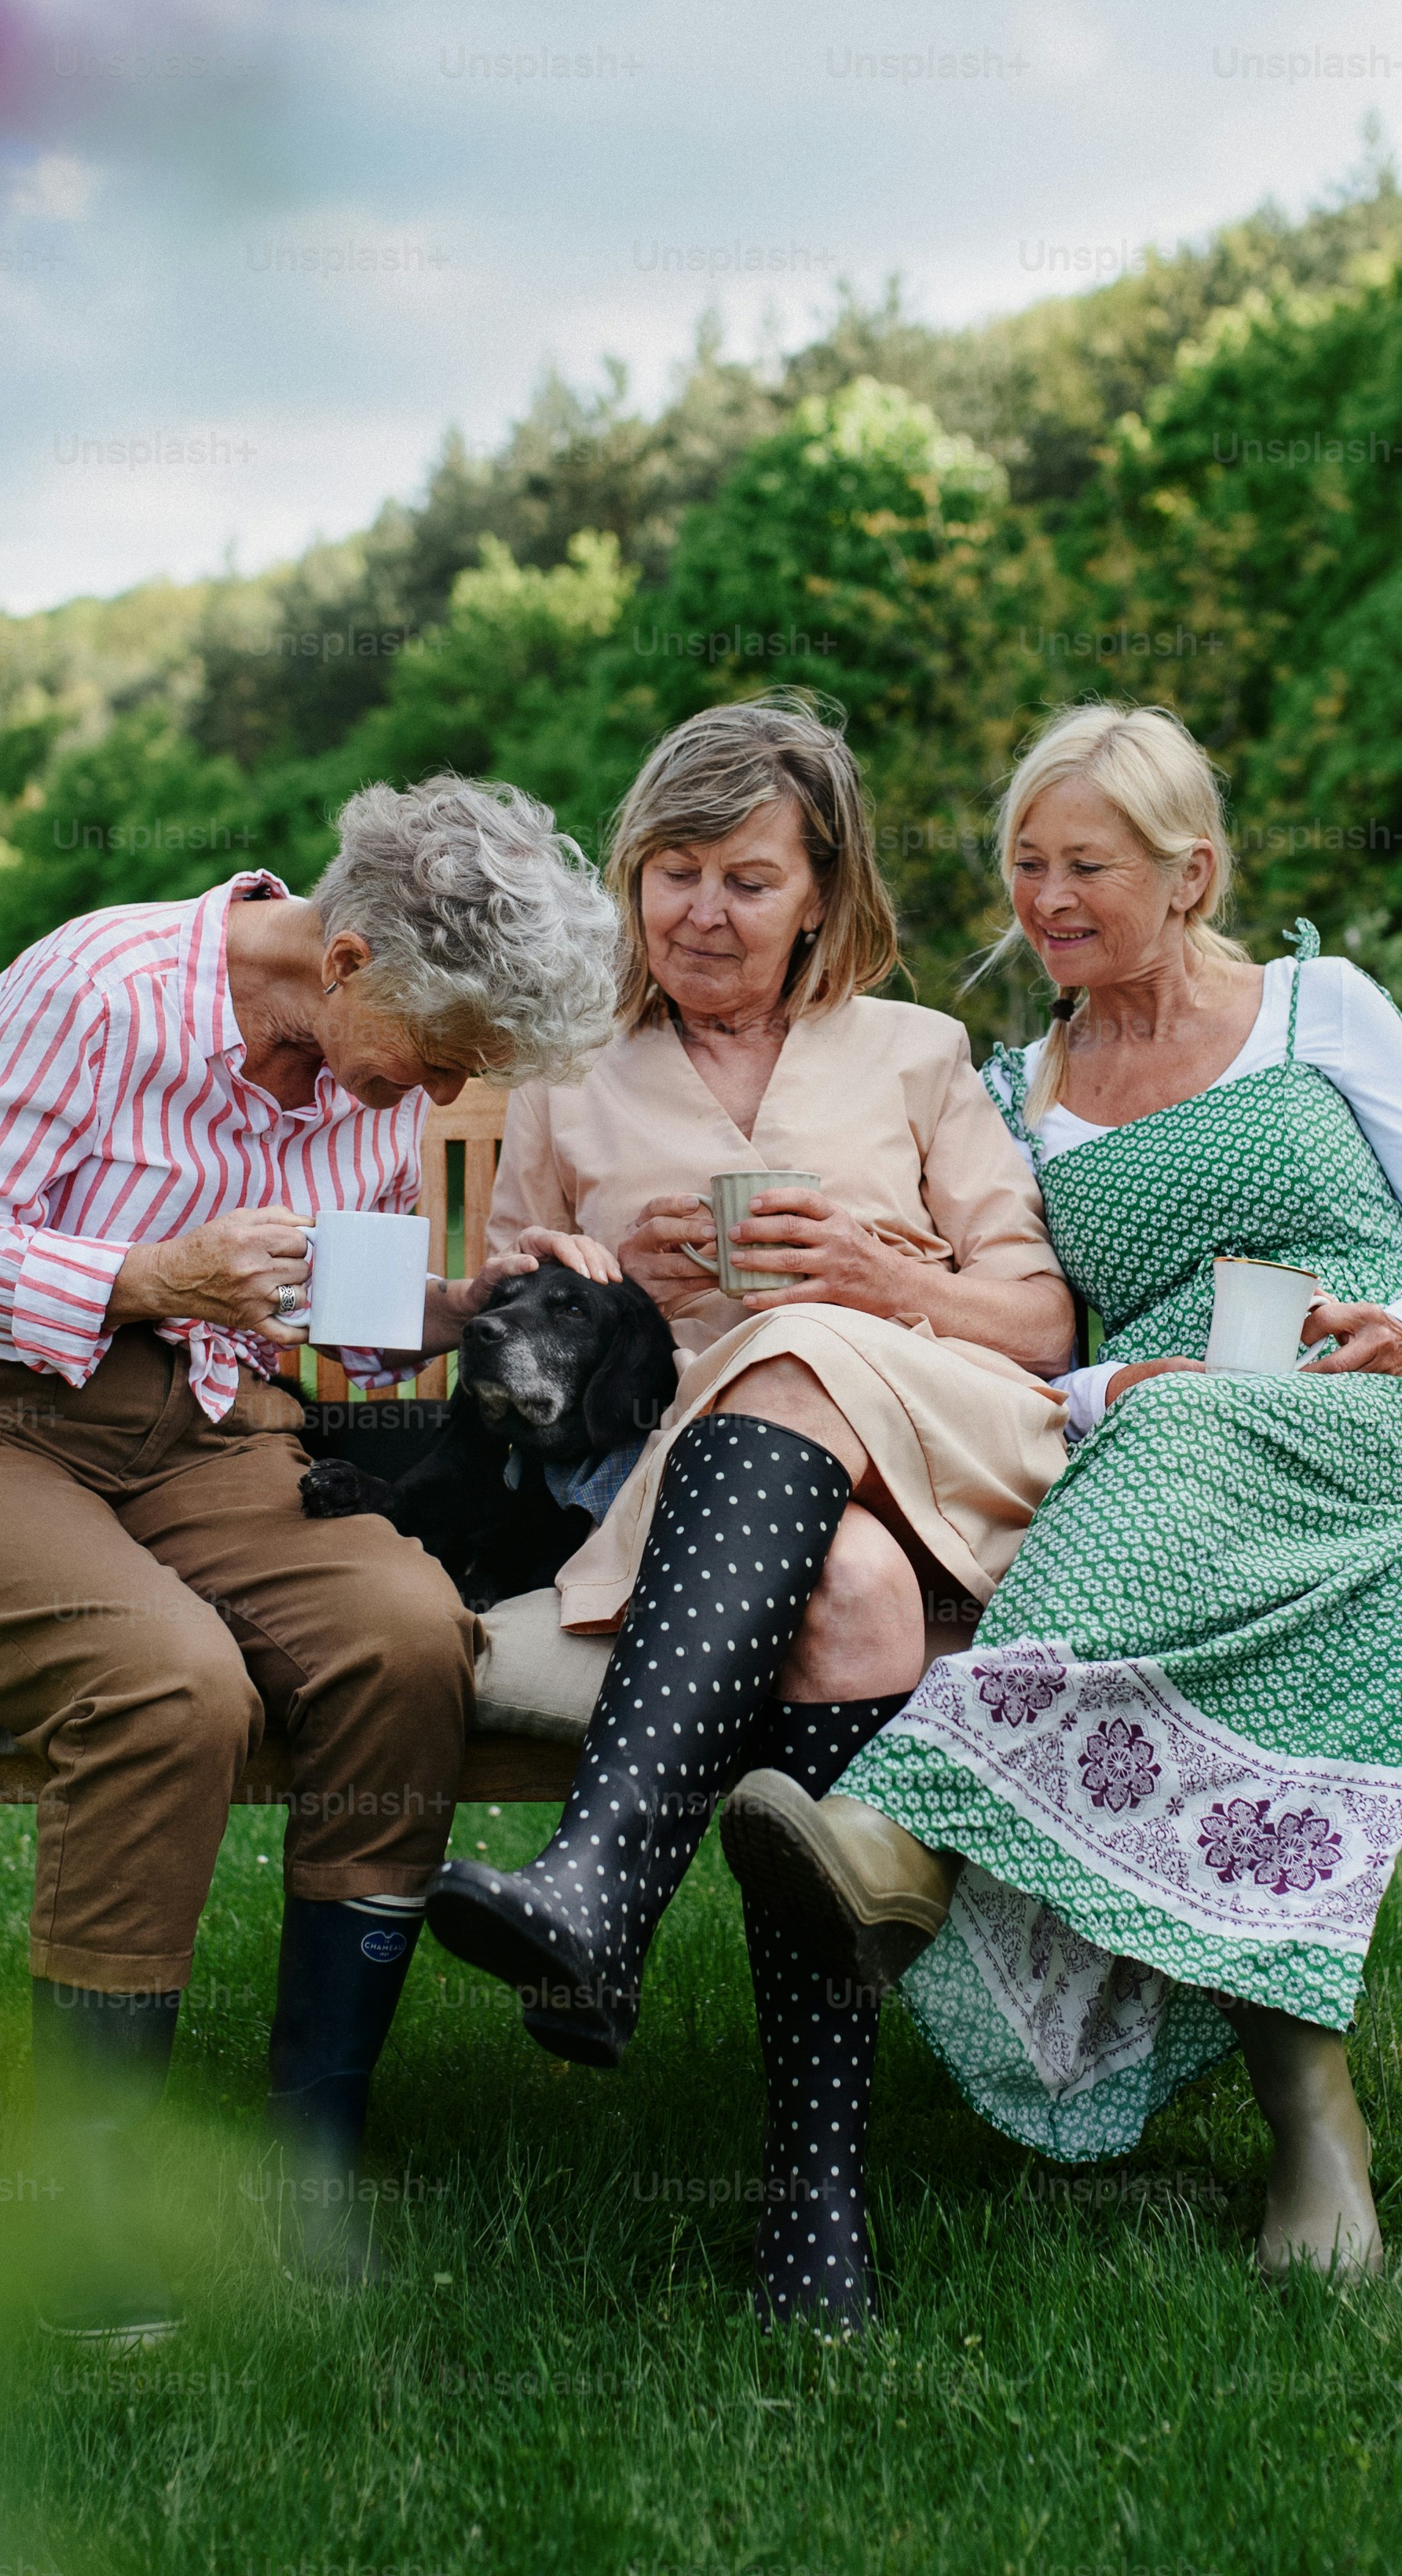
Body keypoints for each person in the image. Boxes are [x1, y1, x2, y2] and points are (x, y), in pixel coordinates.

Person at [720, 701, 1402, 2313]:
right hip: (1147, 1445)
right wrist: (1107, 1395)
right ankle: (1314, 2115)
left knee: (1165, 1468)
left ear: (1189, 871)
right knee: (1160, 1469)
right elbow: (1050, 1347)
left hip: (1373, 1405)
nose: (1046, 898)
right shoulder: (1019, 1089)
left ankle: (912, 1824)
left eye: (1086, 861)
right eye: (1025, 863)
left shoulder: (1320, 1007)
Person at [0, 779, 617, 2338]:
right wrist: (147, 1271)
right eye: (442, 1051)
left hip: (209, 1434)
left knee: (406, 1631)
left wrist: (466, 1306)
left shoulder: (371, 1079)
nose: (441, 1088)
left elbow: (346, 1327)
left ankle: (311, 2145)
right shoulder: (96, 989)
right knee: (167, 1677)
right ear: (353, 953)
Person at [426, 693, 1076, 2329]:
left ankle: (601, 1883)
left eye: (745, 877)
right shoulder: (574, 1075)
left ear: (820, 892)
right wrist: (579, 1280)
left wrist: (875, 1276)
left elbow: (1039, 1319)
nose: (701, 911)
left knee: (795, 1346)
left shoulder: (919, 1055)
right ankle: (816, 2200)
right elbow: (508, 1333)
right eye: (671, 871)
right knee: (845, 1596)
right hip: (695, 1477)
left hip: (925, 1421)